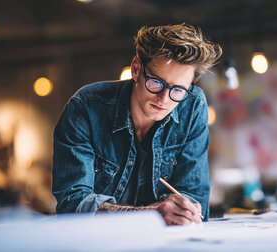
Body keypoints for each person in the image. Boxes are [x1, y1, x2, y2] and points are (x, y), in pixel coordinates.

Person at [52, 23, 222, 225]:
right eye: (156, 83)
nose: (164, 99)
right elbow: (72, 203)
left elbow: (194, 196)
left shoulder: (192, 105)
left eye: (178, 90)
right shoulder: (86, 107)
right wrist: (151, 215)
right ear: (136, 69)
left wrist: (185, 211)